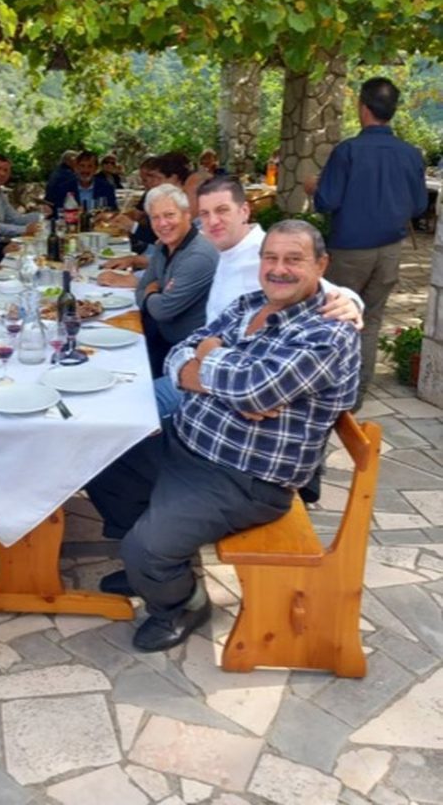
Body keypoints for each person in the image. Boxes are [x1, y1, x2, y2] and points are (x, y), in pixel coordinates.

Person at [87, 221, 360, 652]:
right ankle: (156, 567)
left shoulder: (328, 332)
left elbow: (254, 389)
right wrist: (212, 370)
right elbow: (182, 352)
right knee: (100, 459)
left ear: (321, 265)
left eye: (294, 259)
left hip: (243, 477)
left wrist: (210, 358)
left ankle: (180, 603)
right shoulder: (250, 303)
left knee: (146, 548)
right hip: (186, 440)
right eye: (270, 258)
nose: (279, 269)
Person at [153, 175, 364, 416]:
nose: (213, 221)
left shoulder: (267, 254)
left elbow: (323, 286)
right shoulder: (224, 249)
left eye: (222, 210)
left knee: (142, 404)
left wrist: (352, 302)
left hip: (241, 381)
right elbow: (181, 352)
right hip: (219, 377)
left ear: (244, 211)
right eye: (205, 214)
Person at [304, 77, 427, 403]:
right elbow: (419, 206)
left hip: (349, 250)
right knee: (370, 319)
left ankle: (327, 389)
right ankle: (357, 392)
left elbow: (327, 201)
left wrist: (314, 188)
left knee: (333, 316)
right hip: (390, 249)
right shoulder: (410, 154)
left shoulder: (348, 151)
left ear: (363, 107)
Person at [134, 184, 218, 375]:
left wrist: (151, 293)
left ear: (187, 214)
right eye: (155, 217)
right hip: (160, 337)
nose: (162, 223)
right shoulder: (164, 245)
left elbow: (163, 310)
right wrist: (152, 293)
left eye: (169, 215)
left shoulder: (199, 255)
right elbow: (140, 289)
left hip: (186, 353)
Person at [51, 151, 117, 212]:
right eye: (82, 166)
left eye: (90, 166)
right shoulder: (63, 188)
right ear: (76, 168)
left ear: (96, 169)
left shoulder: (107, 188)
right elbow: (57, 212)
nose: (85, 170)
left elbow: (113, 212)